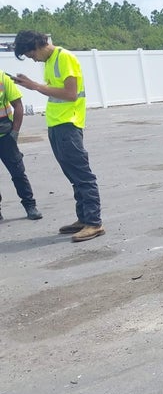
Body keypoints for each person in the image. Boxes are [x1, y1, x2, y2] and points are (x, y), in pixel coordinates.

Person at [13, 30, 104, 242]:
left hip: (68, 124)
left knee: (82, 176)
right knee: (73, 176)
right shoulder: (50, 61)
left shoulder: (64, 58)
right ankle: (84, 219)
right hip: (57, 125)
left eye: (31, 54)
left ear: (37, 45)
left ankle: (94, 222)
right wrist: (35, 85)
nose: (33, 59)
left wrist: (35, 86)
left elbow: (71, 94)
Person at [0, 69, 42, 221]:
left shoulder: (2, 78)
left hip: (5, 135)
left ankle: (30, 205)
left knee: (18, 172)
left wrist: (15, 133)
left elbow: (18, 105)